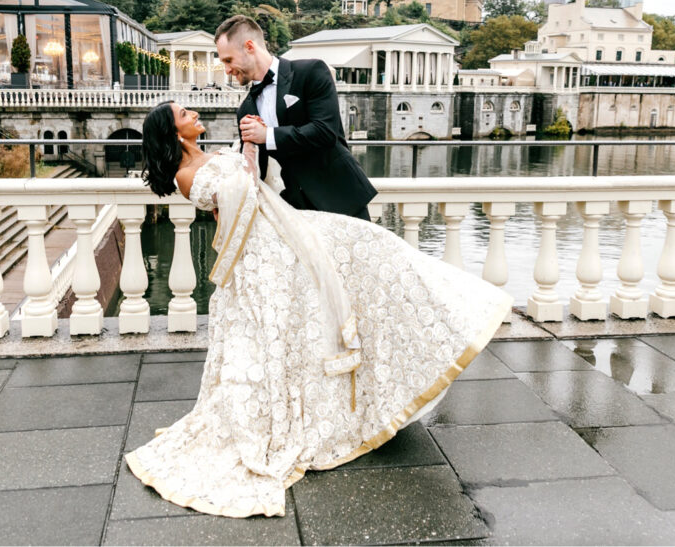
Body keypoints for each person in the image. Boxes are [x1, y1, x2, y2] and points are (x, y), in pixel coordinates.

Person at [128, 101, 513, 518]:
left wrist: (254, 144)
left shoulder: (215, 155)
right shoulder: (188, 176)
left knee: (373, 248)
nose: (194, 114)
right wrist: (251, 148)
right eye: (185, 114)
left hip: (286, 229)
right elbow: (240, 199)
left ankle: (452, 317)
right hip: (262, 256)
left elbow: (259, 183)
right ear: (175, 131)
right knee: (290, 333)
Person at [216, 14, 376, 220]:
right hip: (295, 210)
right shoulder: (245, 109)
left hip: (341, 198)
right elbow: (257, 170)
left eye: (228, 60)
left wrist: (268, 135)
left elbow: (325, 132)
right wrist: (226, 200)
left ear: (249, 47)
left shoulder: (311, 72)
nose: (227, 70)